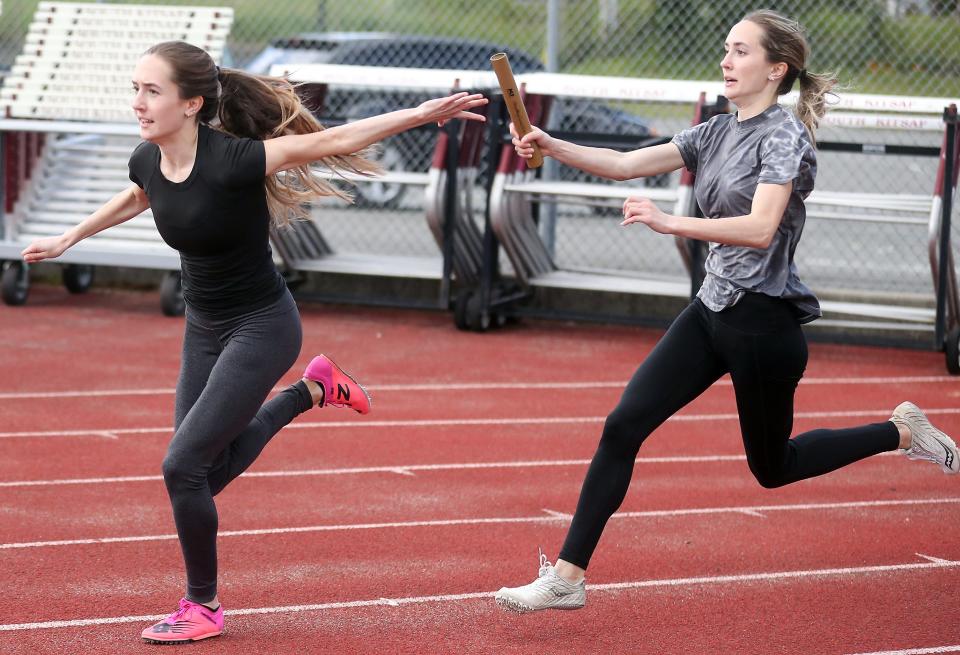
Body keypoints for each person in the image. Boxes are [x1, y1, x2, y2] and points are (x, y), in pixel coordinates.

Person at [21, 41, 487, 643]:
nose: (137, 102)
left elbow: (328, 142)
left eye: (151, 91)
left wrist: (422, 115)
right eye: (135, 88)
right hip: (204, 326)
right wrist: (69, 238)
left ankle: (204, 606)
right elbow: (142, 195)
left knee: (182, 467)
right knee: (200, 477)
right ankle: (313, 390)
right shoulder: (147, 159)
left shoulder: (235, 160)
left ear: (191, 104)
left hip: (263, 326)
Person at [494, 9, 958, 614]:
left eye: (740, 51)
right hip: (711, 311)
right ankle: (567, 579)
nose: (727, 60)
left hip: (764, 326)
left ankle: (900, 431)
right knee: (622, 426)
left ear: (776, 68)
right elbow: (628, 162)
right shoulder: (713, 132)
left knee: (773, 468)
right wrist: (550, 144)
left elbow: (762, 228)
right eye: (725, 49)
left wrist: (668, 221)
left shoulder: (784, 137)